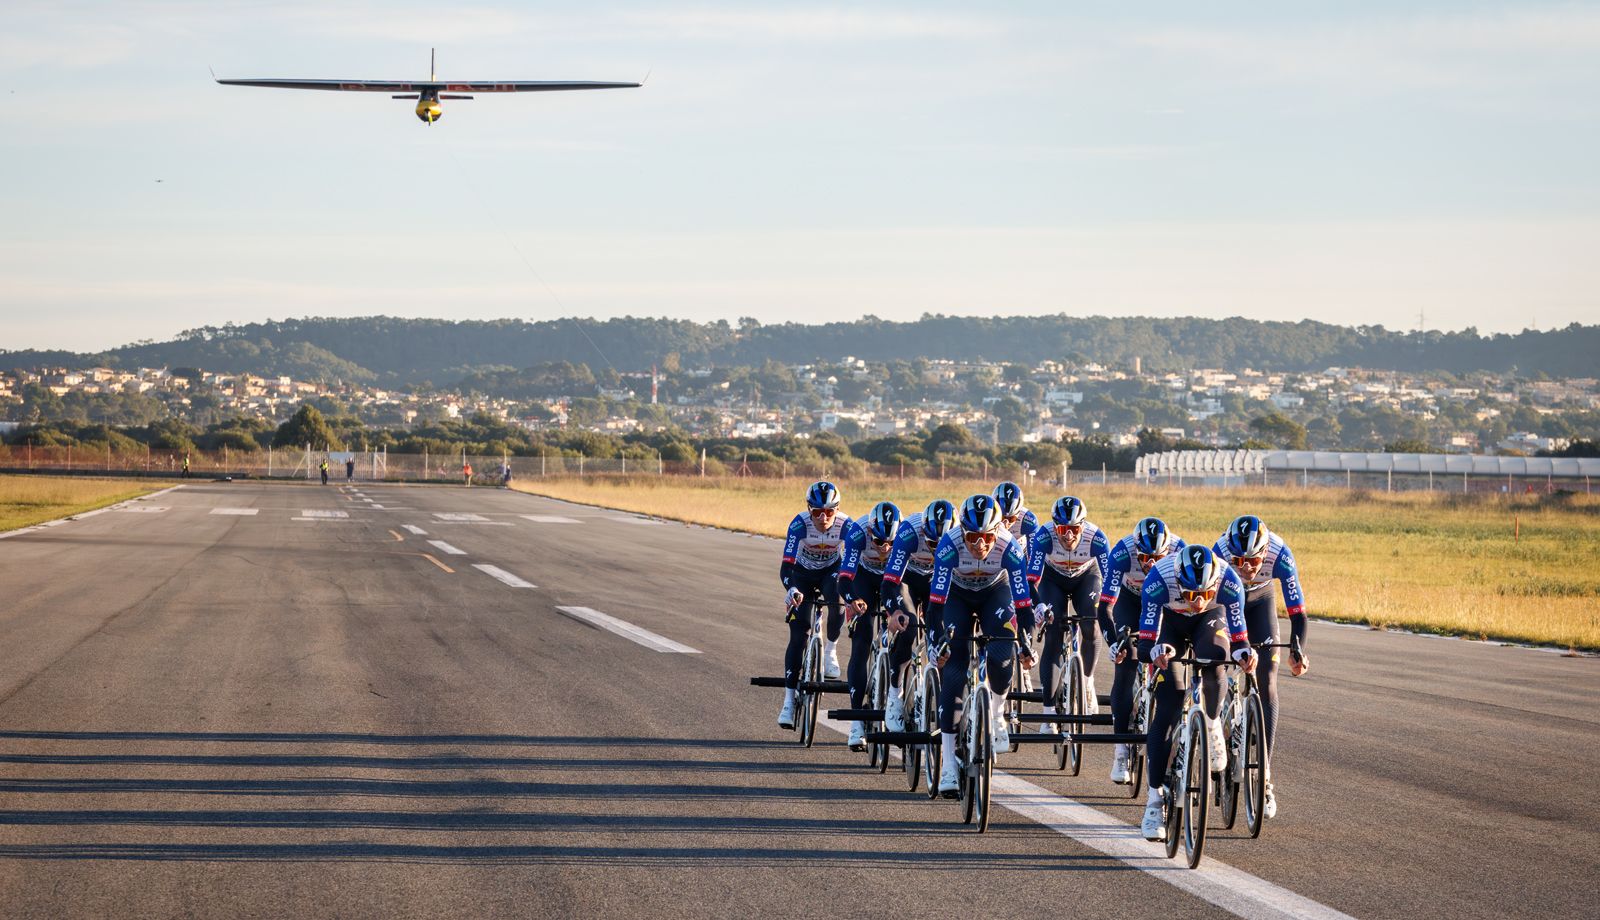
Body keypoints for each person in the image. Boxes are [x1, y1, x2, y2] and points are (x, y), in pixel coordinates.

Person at [1137, 544, 1256, 841]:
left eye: (1206, 593)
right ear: (1179, 583)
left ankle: (1212, 725)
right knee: (1168, 705)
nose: (1199, 601)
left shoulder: (1229, 581)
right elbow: (1146, 642)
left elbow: (1240, 638)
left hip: (1210, 623)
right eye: (1191, 595)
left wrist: (1244, 653)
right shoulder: (1158, 580)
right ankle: (1154, 801)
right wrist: (1156, 652)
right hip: (1170, 627)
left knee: (1216, 657)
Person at [930, 493, 1033, 797]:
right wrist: (937, 642)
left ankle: (997, 714)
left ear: (997, 531)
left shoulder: (1010, 548)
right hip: (957, 597)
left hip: (994, 593)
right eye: (972, 537)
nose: (979, 544)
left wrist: (1026, 642)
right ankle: (949, 763)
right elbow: (935, 606)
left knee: (1003, 653)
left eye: (987, 537)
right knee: (954, 670)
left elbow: (1024, 606)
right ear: (962, 531)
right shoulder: (949, 546)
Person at [1213, 514, 1310, 819]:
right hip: (1226, 602)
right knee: (1217, 663)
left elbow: (1297, 612)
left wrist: (1297, 650)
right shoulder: (1219, 552)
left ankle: (1265, 775)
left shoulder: (1281, 554)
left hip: (1261, 601)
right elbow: (1207, 606)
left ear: (1265, 552)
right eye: (1239, 561)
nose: (1246, 568)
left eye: (1253, 561)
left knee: (1267, 682)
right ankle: (1217, 726)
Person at [1101, 516, 1185, 784]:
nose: (1151, 563)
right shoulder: (1122, 552)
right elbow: (1105, 607)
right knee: (1126, 662)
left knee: (1168, 661)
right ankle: (1120, 750)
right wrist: (1114, 643)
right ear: (1136, 550)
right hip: (1130, 600)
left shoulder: (1180, 550)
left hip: (1165, 603)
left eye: (1158, 557)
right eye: (1145, 558)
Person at [1026, 496, 1111, 732]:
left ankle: (1087, 682)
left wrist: (1109, 609)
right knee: (1053, 636)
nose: (1069, 535)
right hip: (1053, 580)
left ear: (1083, 526)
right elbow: (1031, 580)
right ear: (1055, 527)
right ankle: (1048, 714)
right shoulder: (1044, 536)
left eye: (1075, 529)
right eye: (1063, 529)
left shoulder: (1097, 538)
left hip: (1086, 577)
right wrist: (1039, 607)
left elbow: (1111, 580)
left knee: (1091, 624)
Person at [776, 481, 850, 729]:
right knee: (799, 635)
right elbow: (786, 566)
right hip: (802, 574)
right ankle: (788, 702)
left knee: (838, 600)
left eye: (829, 511)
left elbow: (852, 562)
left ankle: (830, 651)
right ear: (809, 509)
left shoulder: (846, 525)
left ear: (837, 509)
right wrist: (792, 589)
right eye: (817, 511)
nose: (823, 517)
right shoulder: (799, 524)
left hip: (831, 572)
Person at [880, 498, 958, 731]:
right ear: (924, 531)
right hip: (908, 581)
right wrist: (894, 611)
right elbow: (890, 581)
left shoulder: (960, 537)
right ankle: (894, 695)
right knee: (910, 626)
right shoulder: (910, 532)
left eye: (942, 543)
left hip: (938, 583)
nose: (938, 549)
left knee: (944, 639)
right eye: (932, 543)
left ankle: (945, 702)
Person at [838, 501, 902, 751]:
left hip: (892, 580)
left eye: (890, 543)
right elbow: (844, 578)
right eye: (878, 541)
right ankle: (856, 722)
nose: (885, 548)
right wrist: (853, 599)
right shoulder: (857, 532)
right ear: (870, 532)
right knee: (861, 643)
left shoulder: (904, 535)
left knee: (903, 632)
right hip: (863, 578)